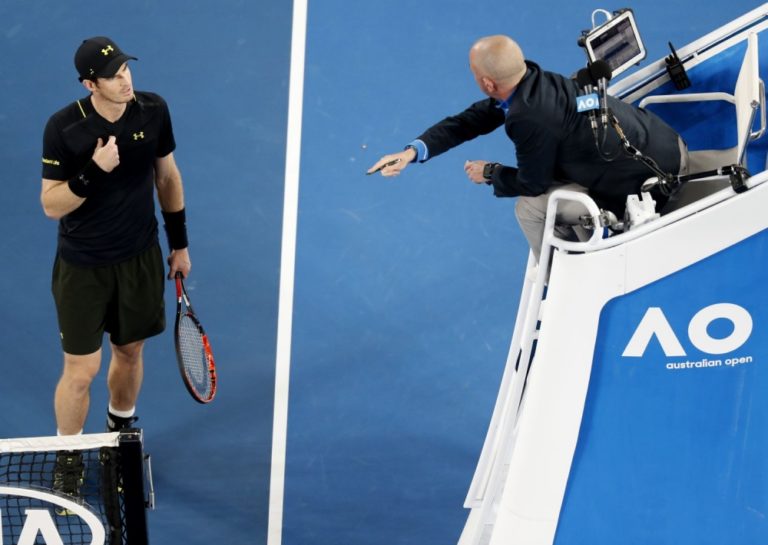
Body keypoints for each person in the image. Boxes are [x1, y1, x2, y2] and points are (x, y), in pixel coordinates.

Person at [367, 35, 688, 259]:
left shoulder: (528, 118)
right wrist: (411, 152)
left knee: (529, 208)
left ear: (488, 83)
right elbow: (470, 120)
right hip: (671, 146)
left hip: (652, 188)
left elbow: (534, 183)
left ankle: (566, 277)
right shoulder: (537, 80)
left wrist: (490, 173)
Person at [40, 36, 191, 501]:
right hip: (83, 267)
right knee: (81, 370)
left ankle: (118, 437)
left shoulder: (153, 110)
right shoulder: (64, 128)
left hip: (139, 258)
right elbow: (51, 204)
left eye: (126, 70)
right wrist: (94, 170)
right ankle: (68, 456)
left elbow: (167, 176)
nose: (125, 81)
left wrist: (179, 244)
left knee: (129, 352)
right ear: (90, 84)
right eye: (113, 76)